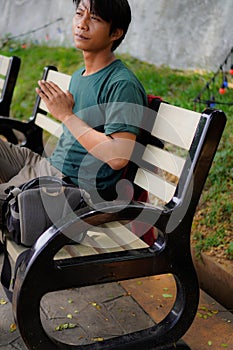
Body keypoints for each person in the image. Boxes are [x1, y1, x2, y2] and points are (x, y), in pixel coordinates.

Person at [0, 0, 147, 222]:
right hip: (45, 167)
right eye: (79, 14)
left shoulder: (121, 84)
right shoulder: (80, 75)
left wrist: (66, 115)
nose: (82, 24)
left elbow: (118, 157)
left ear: (115, 33)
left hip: (71, 190)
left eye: (94, 19)